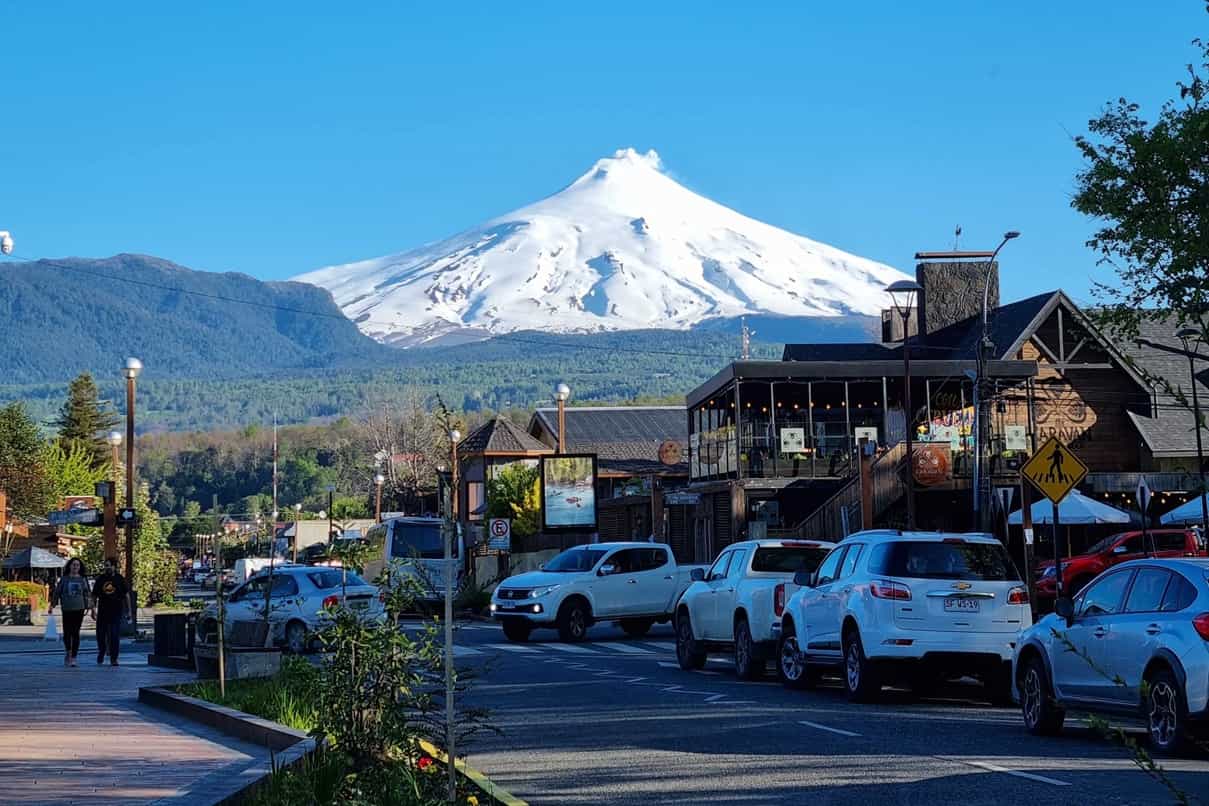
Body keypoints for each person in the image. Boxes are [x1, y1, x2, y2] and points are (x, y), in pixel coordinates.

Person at [49, 558, 91, 667]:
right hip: (67, 608)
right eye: (73, 565)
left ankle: (73, 657)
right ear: (69, 566)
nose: (75, 567)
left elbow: (87, 594)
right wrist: (52, 605)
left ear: (80, 567)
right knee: (67, 633)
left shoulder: (82, 579)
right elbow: (57, 592)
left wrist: (90, 607)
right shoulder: (64, 579)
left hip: (79, 609)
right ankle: (68, 651)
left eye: (77, 565)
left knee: (75, 633)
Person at [91, 557, 129, 666]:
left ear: (114, 566)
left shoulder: (119, 579)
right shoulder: (100, 579)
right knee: (101, 635)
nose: (106, 567)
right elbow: (94, 596)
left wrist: (129, 611)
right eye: (105, 565)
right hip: (103, 611)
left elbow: (126, 595)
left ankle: (114, 658)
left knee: (114, 635)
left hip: (116, 611)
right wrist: (93, 610)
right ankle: (102, 652)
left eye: (108, 565)